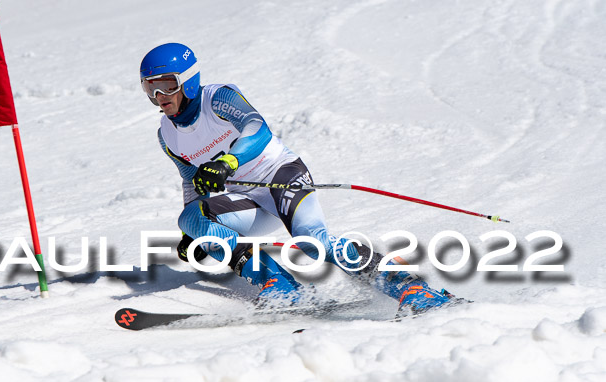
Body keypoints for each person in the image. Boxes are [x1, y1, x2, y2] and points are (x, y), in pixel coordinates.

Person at [139, 42, 459, 316]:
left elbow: (257, 130)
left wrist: (227, 162)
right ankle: (280, 285)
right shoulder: (167, 135)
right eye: (150, 88)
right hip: (248, 200)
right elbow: (190, 179)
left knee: (312, 242)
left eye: (167, 84)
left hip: (281, 176)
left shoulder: (218, 99)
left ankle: (411, 287)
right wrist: (193, 233)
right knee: (190, 217)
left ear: (188, 81)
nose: (159, 95)